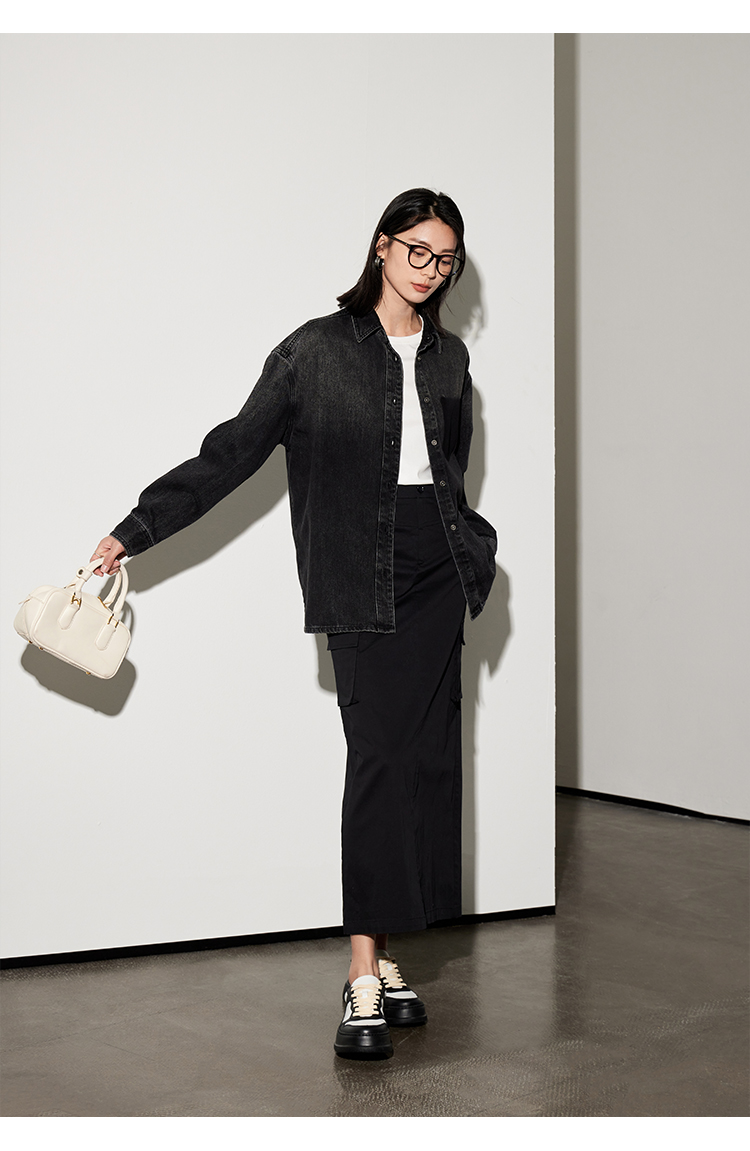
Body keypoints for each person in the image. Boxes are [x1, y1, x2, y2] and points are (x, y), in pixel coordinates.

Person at [91, 188, 497, 1060]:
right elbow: (232, 450)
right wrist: (137, 528)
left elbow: (450, 469)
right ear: (381, 246)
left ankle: (387, 955)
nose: (431, 270)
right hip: (361, 575)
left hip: (437, 574)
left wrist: (473, 546)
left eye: (446, 259)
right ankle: (360, 971)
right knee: (378, 759)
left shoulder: (451, 359)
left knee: (425, 763)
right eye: (418, 251)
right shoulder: (314, 351)